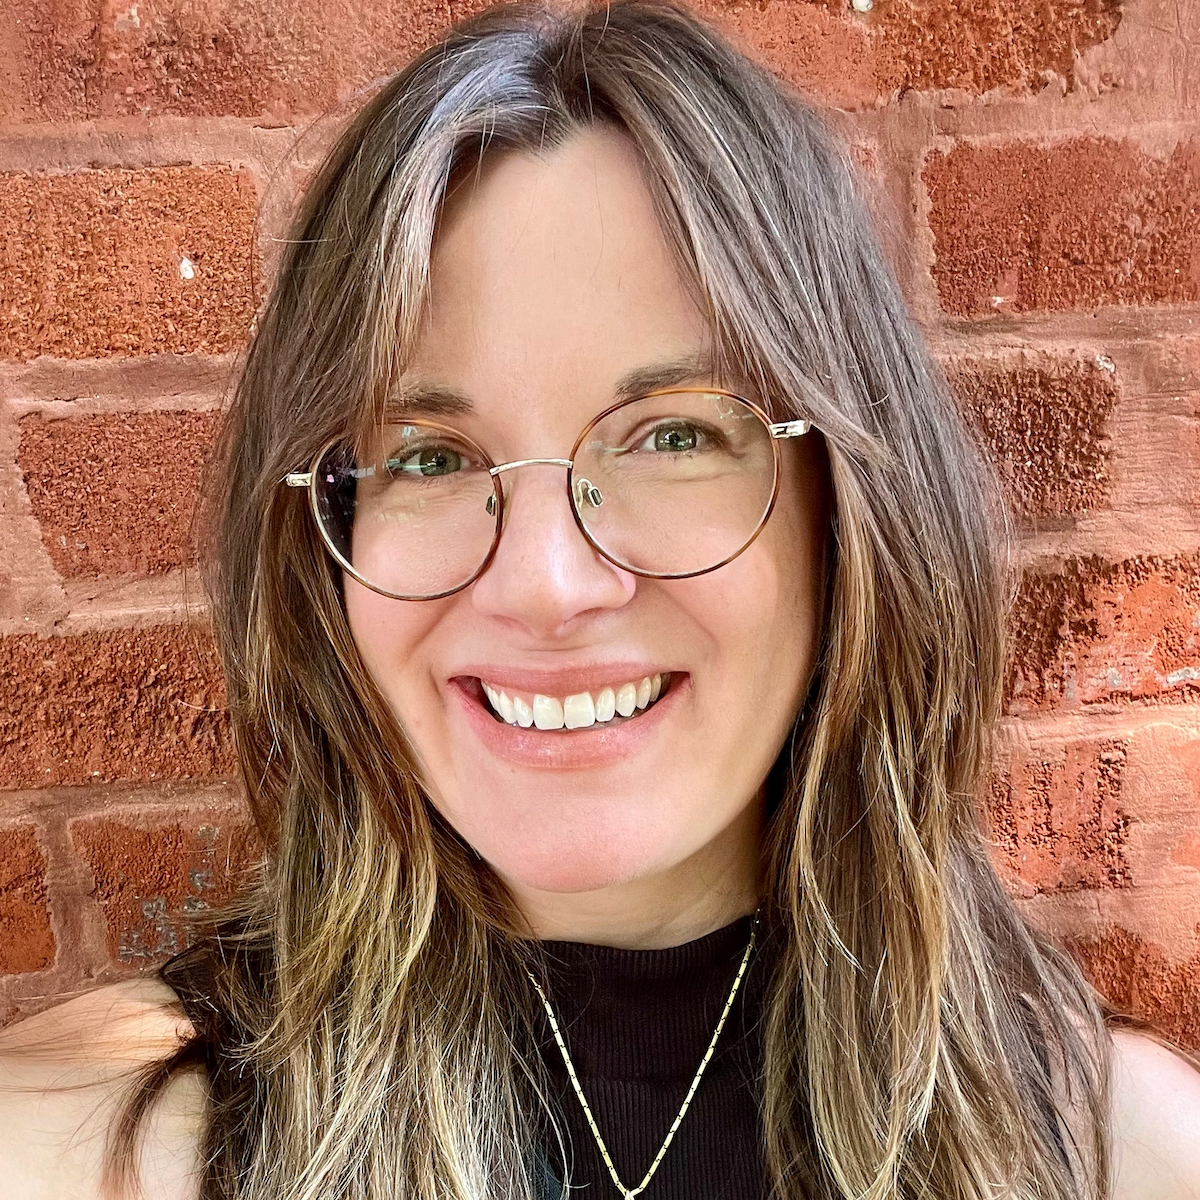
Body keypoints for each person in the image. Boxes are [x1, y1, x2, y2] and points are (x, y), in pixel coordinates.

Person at [3, 3, 1199, 1198]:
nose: (544, 583)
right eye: (426, 454)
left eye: (673, 434)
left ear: (848, 506)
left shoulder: (1120, 1157)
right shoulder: (87, 1152)